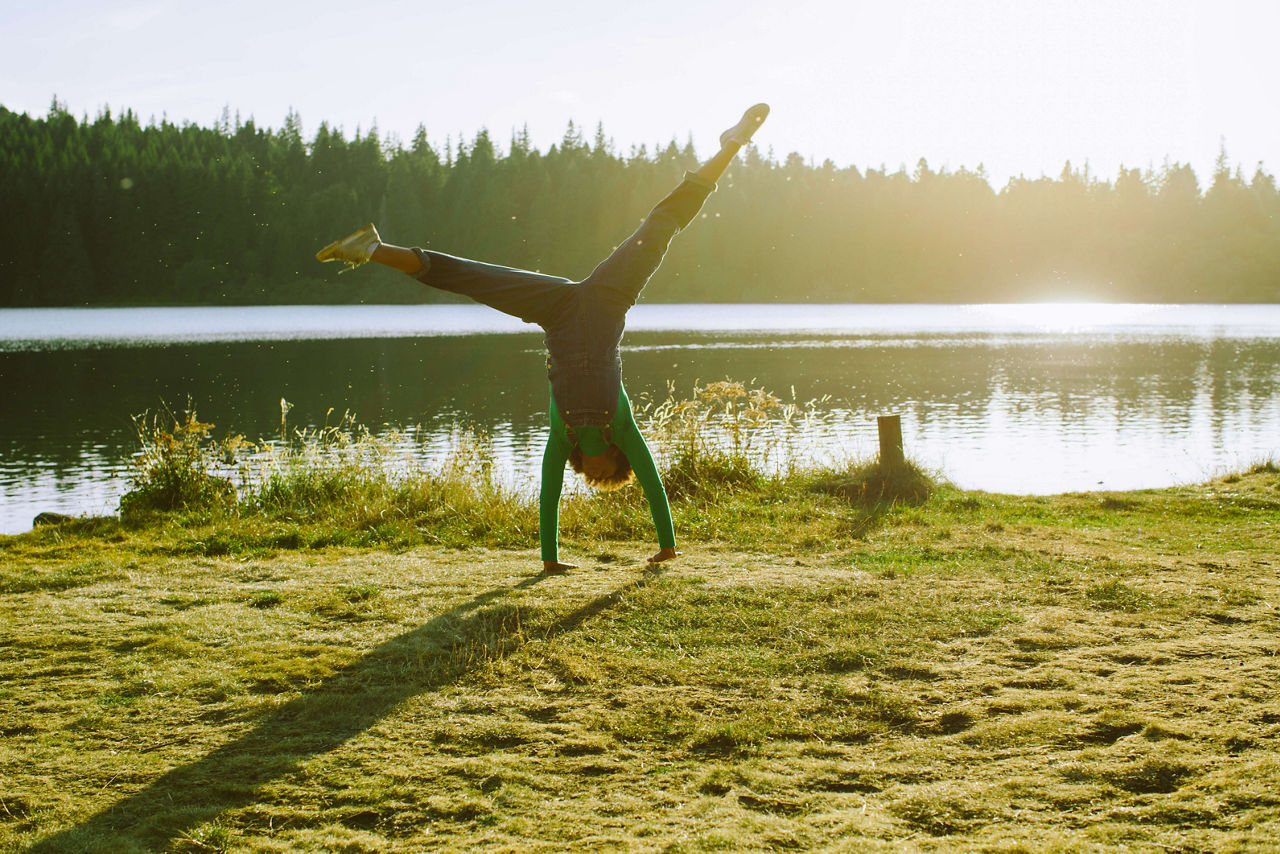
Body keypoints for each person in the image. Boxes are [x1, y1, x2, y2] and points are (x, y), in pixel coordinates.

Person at [317, 104, 769, 573]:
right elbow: (653, 482)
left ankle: (371, 249)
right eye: (607, 478)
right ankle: (731, 145)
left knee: (475, 279)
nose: (596, 478)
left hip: (557, 312)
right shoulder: (622, 428)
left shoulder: (563, 436)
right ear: (615, 463)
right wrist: (668, 546)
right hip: (607, 302)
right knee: (661, 224)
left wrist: (549, 560)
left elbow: (548, 491)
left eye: (593, 479)